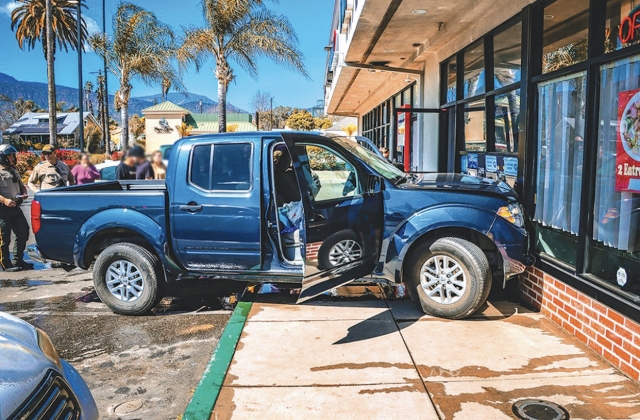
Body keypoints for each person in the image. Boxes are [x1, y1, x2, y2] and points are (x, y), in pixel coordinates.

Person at [0, 144, 33, 272]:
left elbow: (21, 185)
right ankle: (6, 264)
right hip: (3, 209)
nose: (12, 158)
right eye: (9, 155)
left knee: (23, 233)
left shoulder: (13, 170)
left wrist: (23, 193)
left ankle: (18, 260)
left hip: (16, 207)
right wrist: (4, 200)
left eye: (13, 155)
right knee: (4, 238)